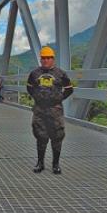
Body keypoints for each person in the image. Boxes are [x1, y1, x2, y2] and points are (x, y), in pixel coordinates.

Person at [26, 46, 73, 174]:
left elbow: (69, 89)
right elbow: (29, 87)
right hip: (39, 110)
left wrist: (58, 98)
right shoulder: (34, 73)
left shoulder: (61, 73)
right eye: (44, 58)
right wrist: (37, 97)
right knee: (40, 136)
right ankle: (40, 163)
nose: (46, 60)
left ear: (53, 59)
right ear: (40, 59)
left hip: (55, 110)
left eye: (48, 58)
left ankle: (55, 164)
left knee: (57, 136)